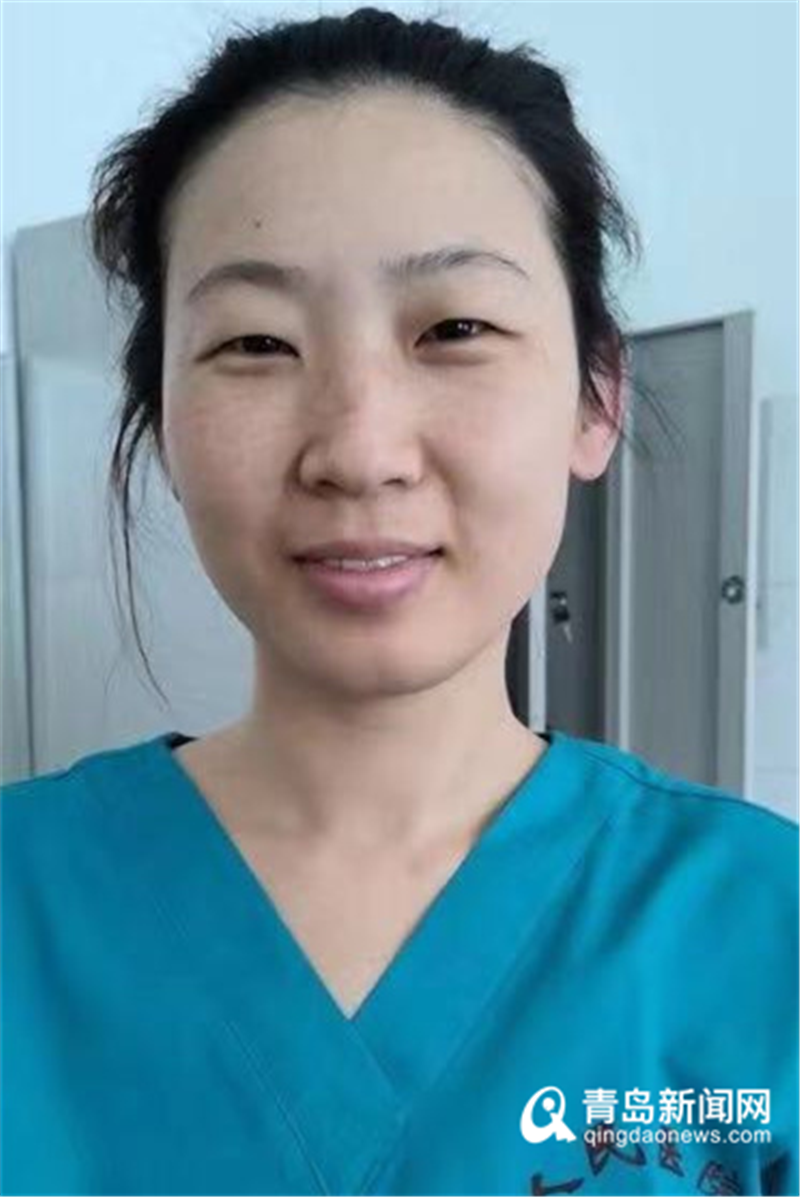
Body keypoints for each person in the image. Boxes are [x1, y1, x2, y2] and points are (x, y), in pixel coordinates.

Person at [2, 8, 796, 1196]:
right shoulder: (20, 905)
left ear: (593, 400)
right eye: (256, 343)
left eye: (455, 329)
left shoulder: (764, 928)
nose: (359, 453)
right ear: (162, 420)